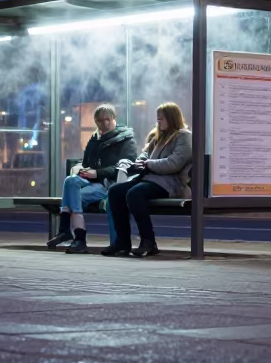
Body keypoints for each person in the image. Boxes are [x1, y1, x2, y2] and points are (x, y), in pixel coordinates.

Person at [103, 102, 192, 258]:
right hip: (150, 179)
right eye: (157, 119)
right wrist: (139, 163)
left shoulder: (184, 136)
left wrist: (148, 164)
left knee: (135, 194)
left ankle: (148, 242)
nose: (158, 122)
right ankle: (122, 243)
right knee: (115, 191)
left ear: (171, 118)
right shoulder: (160, 135)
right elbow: (144, 154)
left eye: (161, 119)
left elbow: (174, 163)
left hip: (170, 183)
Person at [47, 104, 137, 254]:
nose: (104, 124)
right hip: (93, 183)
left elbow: (126, 166)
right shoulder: (94, 140)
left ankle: (70, 232)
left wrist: (97, 173)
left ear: (114, 119)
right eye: (100, 121)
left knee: (71, 196)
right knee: (70, 180)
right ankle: (78, 237)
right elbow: (87, 163)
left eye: (107, 120)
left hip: (110, 185)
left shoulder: (126, 140)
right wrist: (83, 170)